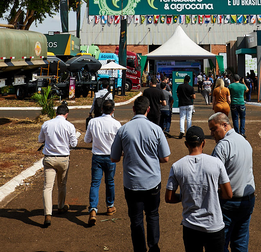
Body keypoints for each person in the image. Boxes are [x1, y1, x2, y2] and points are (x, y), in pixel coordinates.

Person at [111, 96, 171, 252]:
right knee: (152, 214)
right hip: (152, 181)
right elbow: (165, 158)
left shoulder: (123, 129)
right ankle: (154, 246)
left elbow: (114, 157)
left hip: (132, 183)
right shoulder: (156, 129)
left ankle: (139, 249)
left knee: (136, 219)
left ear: (133, 109)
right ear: (148, 110)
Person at [165, 126, 232, 252]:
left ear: (186, 144)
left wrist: (183, 195)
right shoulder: (216, 163)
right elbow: (228, 194)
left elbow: (169, 198)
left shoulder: (177, 166)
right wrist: (213, 193)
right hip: (214, 225)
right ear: (204, 142)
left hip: (191, 226)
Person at [208, 112, 255, 252]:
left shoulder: (222, 146)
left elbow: (212, 176)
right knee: (240, 242)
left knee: (219, 242)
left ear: (225, 125)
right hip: (247, 200)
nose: (212, 134)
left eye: (213, 129)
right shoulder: (244, 141)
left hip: (228, 202)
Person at [38, 103, 79, 227]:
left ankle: (47, 214)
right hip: (63, 159)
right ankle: (60, 206)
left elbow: (40, 139)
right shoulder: (69, 126)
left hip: (49, 158)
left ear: (56, 113)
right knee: (62, 184)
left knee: (47, 187)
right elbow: (74, 143)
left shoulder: (46, 124)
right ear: (66, 114)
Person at [84, 99, 121, 226]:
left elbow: (87, 140)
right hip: (110, 157)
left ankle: (93, 209)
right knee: (110, 182)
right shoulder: (116, 124)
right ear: (113, 110)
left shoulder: (93, 122)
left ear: (101, 109)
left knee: (95, 183)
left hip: (97, 156)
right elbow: (119, 143)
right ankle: (110, 206)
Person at [176, 75, 196, 139]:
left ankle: (182, 130)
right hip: (189, 104)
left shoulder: (180, 86)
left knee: (182, 118)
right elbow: (194, 97)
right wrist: (189, 96)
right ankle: (188, 131)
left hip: (182, 103)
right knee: (189, 118)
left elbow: (177, 95)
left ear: (184, 80)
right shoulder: (191, 87)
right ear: (189, 80)